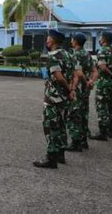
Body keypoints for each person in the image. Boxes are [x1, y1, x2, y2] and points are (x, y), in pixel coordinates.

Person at [33, 30, 75, 169]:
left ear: (54, 41)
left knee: (51, 127)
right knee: (61, 125)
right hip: (65, 98)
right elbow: (75, 74)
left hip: (54, 97)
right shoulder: (69, 55)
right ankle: (61, 154)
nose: (47, 41)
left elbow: (59, 76)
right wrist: (72, 90)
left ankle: (51, 158)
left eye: (49, 39)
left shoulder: (52, 56)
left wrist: (68, 89)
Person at [65, 33, 94, 152]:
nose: (71, 41)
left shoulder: (76, 54)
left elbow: (79, 73)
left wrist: (85, 82)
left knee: (74, 115)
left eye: (72, 39)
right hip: (85, 90)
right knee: (83, 114)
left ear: (75, 41)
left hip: (78, 88)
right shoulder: (87, 54)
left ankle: (76, 142)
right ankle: (83, 140)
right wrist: (90, 81)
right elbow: (93, 70)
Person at [89, 31, 112, 141]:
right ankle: (111, 131)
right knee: (111, 107)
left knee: (102, 107)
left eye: (101, 38)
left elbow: (102, 66)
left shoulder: (103, 50)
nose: (100, 39)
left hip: (104, 83)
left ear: (104, 39)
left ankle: (103, 133)